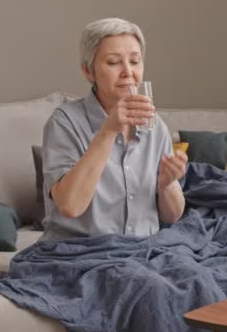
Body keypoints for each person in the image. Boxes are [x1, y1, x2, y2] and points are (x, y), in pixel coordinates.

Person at [40, 18, 187, 241]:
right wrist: (108, 132)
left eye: (135, 61)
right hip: (78, 252)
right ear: (88, 71)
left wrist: (166, 184)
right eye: (113, 62)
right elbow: (70, 206)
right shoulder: (64, 122)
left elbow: (172, 216)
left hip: (142, 252)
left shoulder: (155, 126)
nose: (128, 71)